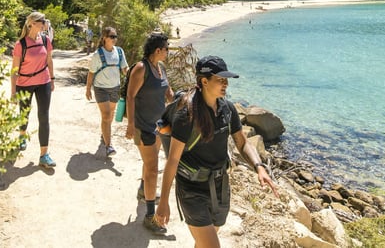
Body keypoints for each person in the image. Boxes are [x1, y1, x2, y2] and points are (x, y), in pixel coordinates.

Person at [156, 56, 279, 247]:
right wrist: (163, 201)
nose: (226, 84)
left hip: (221, 188)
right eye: (220, 80)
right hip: (191, 189)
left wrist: (259, 167)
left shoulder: (227, 109)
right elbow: (172, 160)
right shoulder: (186, 114)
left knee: (205, 241)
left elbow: (242, 143)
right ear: (204, 81)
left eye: (226, 80)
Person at [125, 32, 174, 235]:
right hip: (142, 127)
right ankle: (150, 216)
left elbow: (169, 94)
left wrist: (186, 102)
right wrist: (130, 125)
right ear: (158, 50)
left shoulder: (160, 68)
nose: (168, 52)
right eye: (166, 49)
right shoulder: (141, 68)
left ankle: (143, 189)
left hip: (159, 126)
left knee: (149, 165)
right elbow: (130, 96)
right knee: (153, 168)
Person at [11, 12, 56, 168]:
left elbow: (49, 60)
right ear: (32, 23)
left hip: (43, 81)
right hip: (24, 83)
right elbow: (14, 70)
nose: (44, 23)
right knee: (24, 113)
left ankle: (44, 155)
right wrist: (13, 92)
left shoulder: (45, 40)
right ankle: (22, 136)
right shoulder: (20, 44)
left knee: (44, 116)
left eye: (44, 20)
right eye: (41, 21)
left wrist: (52, 79)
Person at [85, 26, 128, 157]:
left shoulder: (119, 52)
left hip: (115, 88)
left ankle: (104, 134)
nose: (114, 39)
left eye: (115, 36)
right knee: (106, 115)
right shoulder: (98, 55)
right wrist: (88, 89)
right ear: (104, 38)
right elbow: (91, 73)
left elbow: (125, 69)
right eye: (112, 37)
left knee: (110, 116)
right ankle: (109, 146)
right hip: (101, 88)